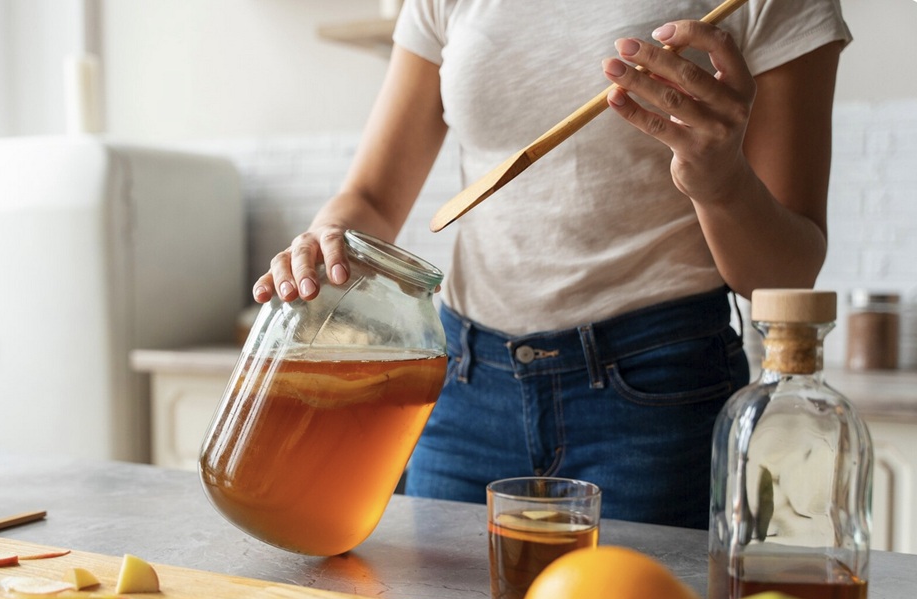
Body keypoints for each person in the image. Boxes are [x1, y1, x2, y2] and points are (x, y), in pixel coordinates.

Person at [251, 0, 851, 529]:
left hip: (656, 394)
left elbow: (784, 280)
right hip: (461, 387)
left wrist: (721, 183)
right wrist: (330, 234)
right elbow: (374, 199)